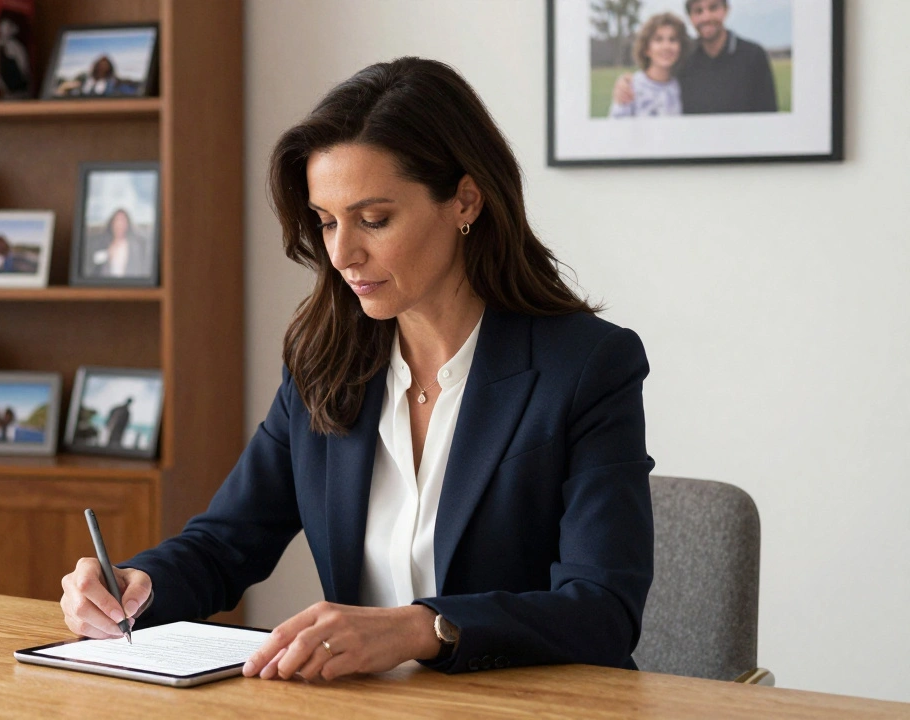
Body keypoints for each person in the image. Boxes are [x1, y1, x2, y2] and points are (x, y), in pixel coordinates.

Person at [59, 57, 653, 681]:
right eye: (326, 222)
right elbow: (225, 543)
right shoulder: (324, 361)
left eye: (374, 220)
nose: (342, 254)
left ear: (465, 201)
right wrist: (135, 583)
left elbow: (603, 611)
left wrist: (424, 627)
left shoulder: (587, 367)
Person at [613, 0, 777, 115]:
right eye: (698, 11)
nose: (706, 17)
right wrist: (626, 82)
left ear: (726, 10)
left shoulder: (753, 55)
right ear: (690, 17)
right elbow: (656, 77)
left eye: (713, 7)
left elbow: (770, 115)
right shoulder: (685, 57)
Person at [609, 12, 688, 118]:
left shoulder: (681, 86)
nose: (666, 46)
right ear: (646, 49)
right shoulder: (630, 87)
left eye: (672, 39)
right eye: (658, 39)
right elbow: (615, 128)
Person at [84, 208, 152, 278]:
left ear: (127, 224)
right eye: (117, 221)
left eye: (123, 221)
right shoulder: (101, 243)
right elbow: (90, 264)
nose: (119, 225)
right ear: (112, 224)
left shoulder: (138, 245)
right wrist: (107, 254)